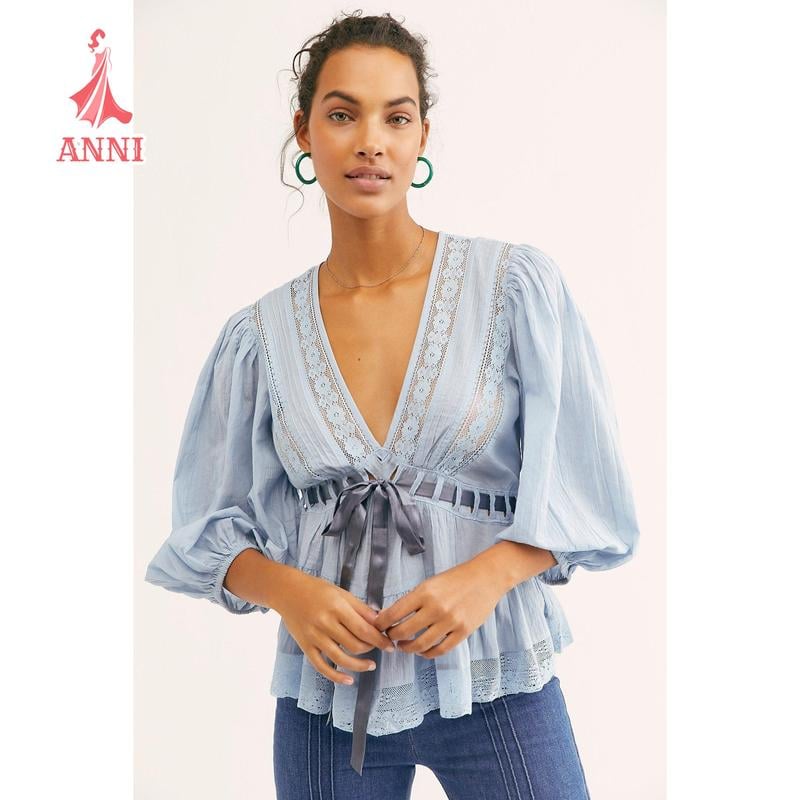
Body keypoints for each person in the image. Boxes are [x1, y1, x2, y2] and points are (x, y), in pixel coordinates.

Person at [144, 11, 640, 799]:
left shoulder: (511, 287)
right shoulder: (259, 338)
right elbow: (206, 525)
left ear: (422, 137)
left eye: (396, 117)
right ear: (304, 133)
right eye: (343, 114)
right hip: (326, 698)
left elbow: (589, 487)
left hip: (495, 678)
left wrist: (490, 574)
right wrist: (292, 593)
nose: (370, 141)